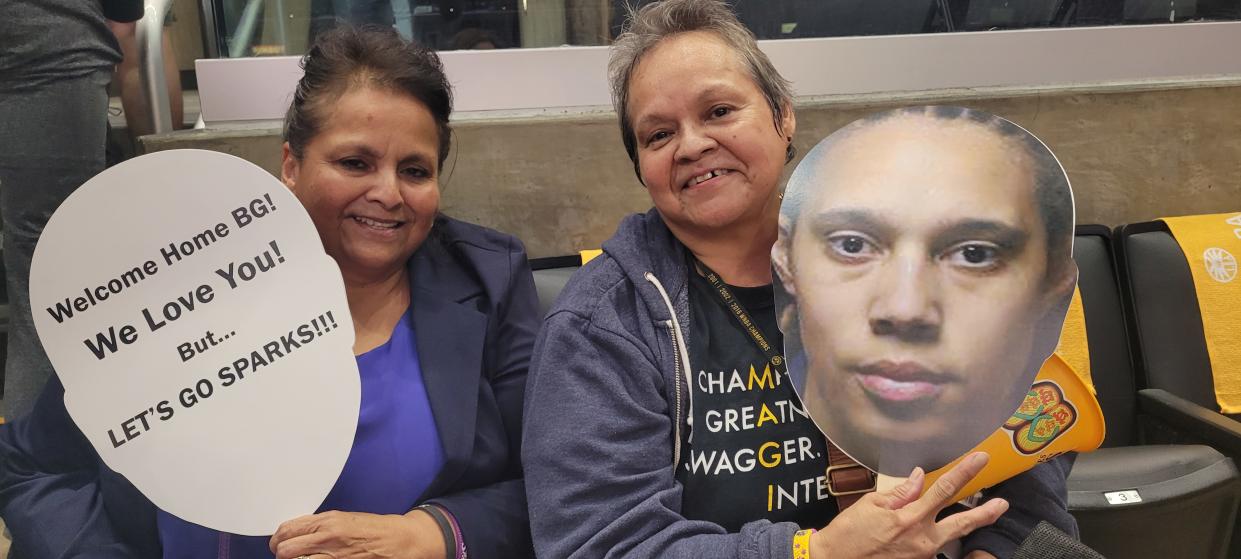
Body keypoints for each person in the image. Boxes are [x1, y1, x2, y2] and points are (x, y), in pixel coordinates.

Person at [521, 1, 1077, 558]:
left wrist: (1000, 546)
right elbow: (598, 545)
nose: (691, 145)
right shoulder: (603, 326)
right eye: (658, 135)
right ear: (641, 166)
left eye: (718, 111)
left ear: (782, 116)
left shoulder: (902, 245)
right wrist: (816, 553)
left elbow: (1030, 430)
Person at [0, 25, 537, 559]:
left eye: (415, 170)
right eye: (355, 162)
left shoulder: (488, 283)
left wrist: (436, 534)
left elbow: (548, 482)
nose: (388, 193)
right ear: (291, 167)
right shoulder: (179, 285)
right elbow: (34, 465)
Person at [772, 107, 1077, 476]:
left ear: (1052, 285)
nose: (905, 309)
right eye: (851, 245)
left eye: (974, 254)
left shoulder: (1047, 423)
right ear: (787, 261)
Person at [0, 0, 142, 423]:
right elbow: (123, 25)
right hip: (41, 44)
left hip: (36, 45)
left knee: (42, 269)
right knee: (49, 271)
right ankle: (36, 475)